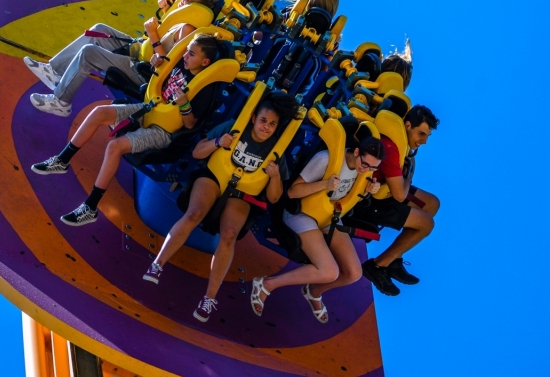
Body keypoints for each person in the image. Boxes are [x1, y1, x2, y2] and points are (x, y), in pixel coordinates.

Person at [31, 34, 224, 227]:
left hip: (163, 130)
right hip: (149, 109)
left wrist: (184, 105)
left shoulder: (205, 88)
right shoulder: (180, 65)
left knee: (115, 146)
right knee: (99, 113)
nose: (185, 56)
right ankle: (62, 160)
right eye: (186, 51)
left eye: (191, 54)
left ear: (205, 62)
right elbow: (159, 80)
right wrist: (157, 63)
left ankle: (91, 207)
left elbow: (190, 125)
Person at [142, 91, 301, 323]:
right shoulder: (234, 127)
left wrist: (275, 176)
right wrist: (219, 142)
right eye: (263, 121)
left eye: (272, 124)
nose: (266, 127)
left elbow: (274, 198)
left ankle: (209, 298)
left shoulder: (277, 150)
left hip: (242, 192)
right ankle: (157, 264)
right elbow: (197, 152)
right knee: (194, 213)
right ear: (254, 117)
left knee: (229, 235)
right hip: (215, 177)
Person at [24, 0, 219, 117]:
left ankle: (61, 102)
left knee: (88, 53)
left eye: (187, 0)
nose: (181, 0)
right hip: (139, 50)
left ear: (196, 8)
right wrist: (166, 12)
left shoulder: (189, 31)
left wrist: (152, 34)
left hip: (145, 71)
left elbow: (168, 66)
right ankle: (54, 71)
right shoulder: (180, 17)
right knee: (98, 29)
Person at [250, 127, 384, 323]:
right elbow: (293, 192)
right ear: (356, 152)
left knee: (354, 272)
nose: (367, 170)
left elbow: (353, 195)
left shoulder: (363, 172)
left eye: (373, 168)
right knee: (329, 271)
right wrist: (324, 184)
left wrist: (370, 188)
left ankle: (314, 291)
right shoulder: (325, 159)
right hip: (301, 213)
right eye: (366, 164)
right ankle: (266, 284)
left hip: (329, 218)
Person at [355, 104, 440, 296]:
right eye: (421, 134)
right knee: (426, 224)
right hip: (368, 202)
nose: (424, 141)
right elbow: (400, 195)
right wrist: (408, 176)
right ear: (408, 125)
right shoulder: (391, 148)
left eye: (427, 136)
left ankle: (393, 259)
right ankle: (377, 266)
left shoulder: (399, 143)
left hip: (385, 191)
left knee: (432, 203)